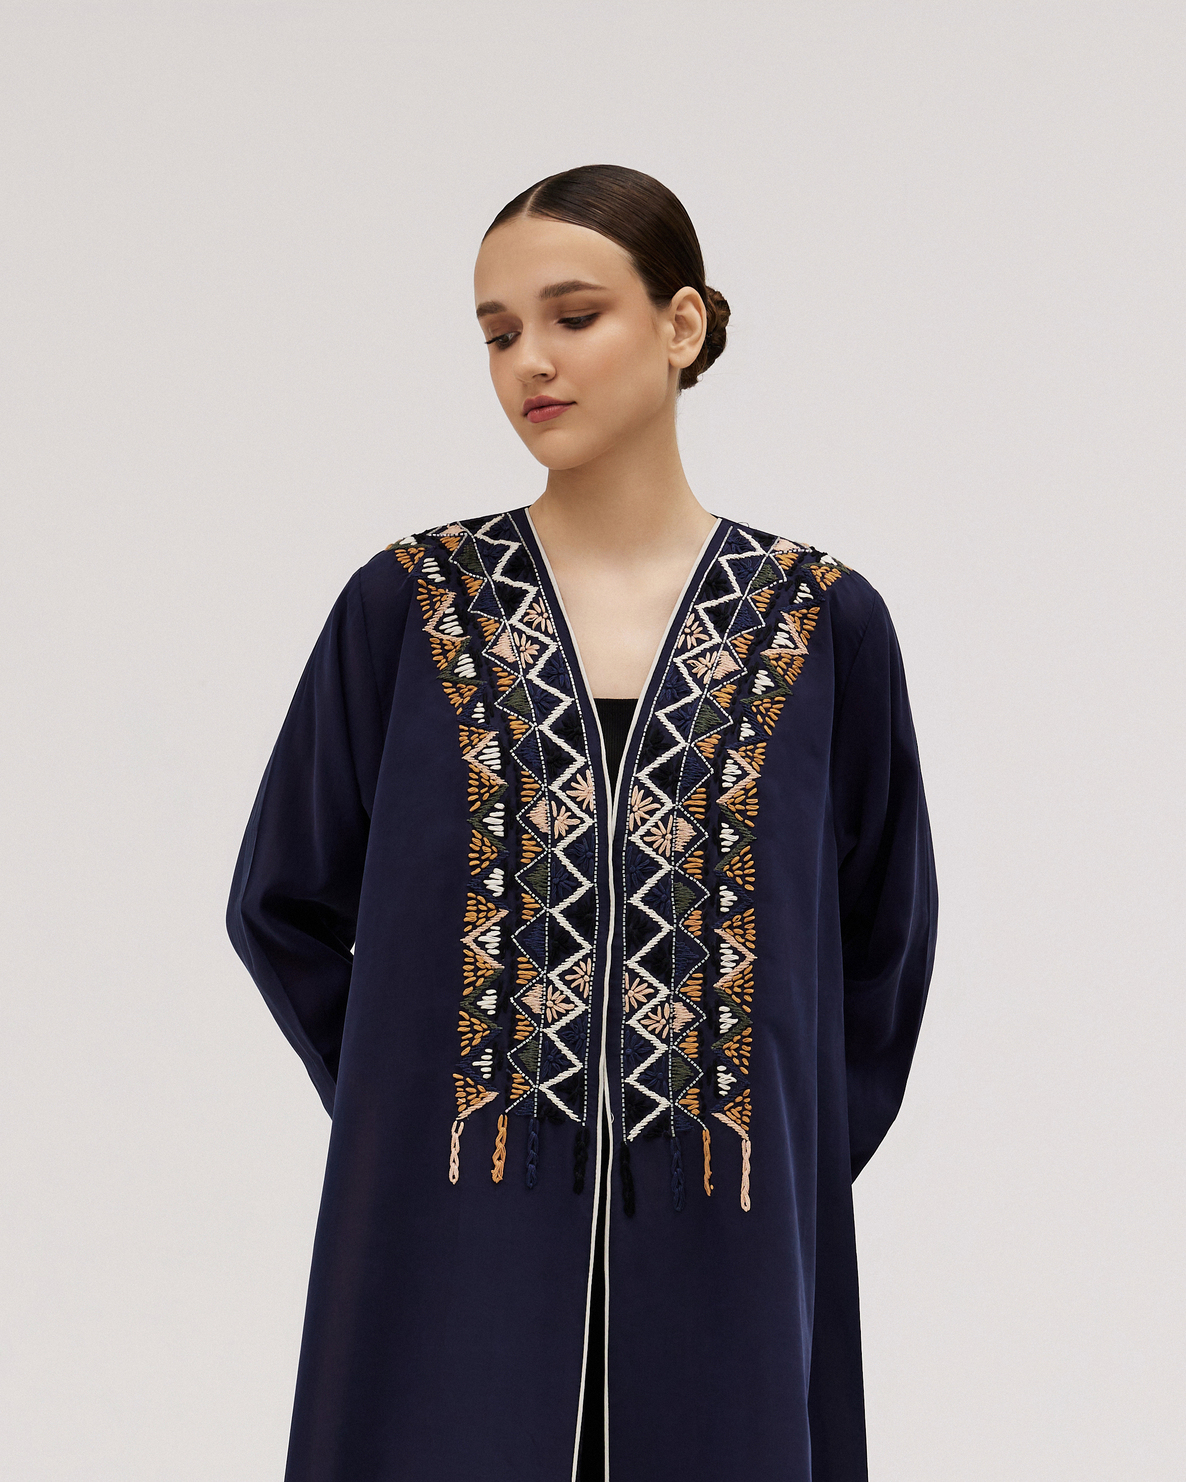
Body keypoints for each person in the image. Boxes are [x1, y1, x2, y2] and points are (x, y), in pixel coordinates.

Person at [227, 163, 938, 1482]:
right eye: (498, 334)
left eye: (572, 316)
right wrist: (410, 1108)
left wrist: (776, 1147)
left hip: (726, 1225)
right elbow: (279, 901)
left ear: (680, 323)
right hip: (451, 1235)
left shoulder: (820, 622)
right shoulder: (409, 608)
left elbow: (882, 941)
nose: (529, 364)